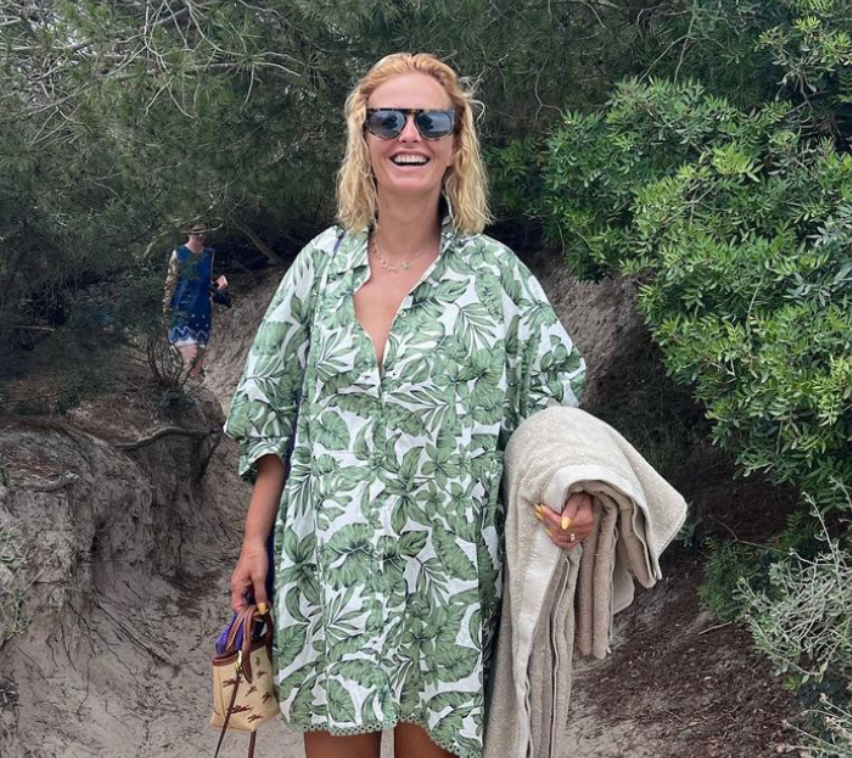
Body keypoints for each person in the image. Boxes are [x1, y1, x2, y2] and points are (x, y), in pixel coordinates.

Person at [224, 53, 594, 758]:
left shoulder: (496, 278)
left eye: (432, 121)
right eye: (388, 120)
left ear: (457, 146)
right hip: (334, 575)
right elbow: (272, 412)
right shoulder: (319, 267)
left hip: (448, 578)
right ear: (364, 141)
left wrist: (573, 490)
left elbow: (553, 409)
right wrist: (252, 543)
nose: (410, 135)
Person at [162, 222, 229, 378]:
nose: (201, 235)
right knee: (184, 350)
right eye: (197, 231)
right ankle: (182, 382)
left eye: (204, 231)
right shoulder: (178, 253)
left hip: (203, 308)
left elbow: (207, 278)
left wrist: (217, 288)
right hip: (181, 307)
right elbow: (171, 281)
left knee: (199, 352)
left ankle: (194, 382)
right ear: (188, 232)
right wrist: (165, 305)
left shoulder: (209, 253)